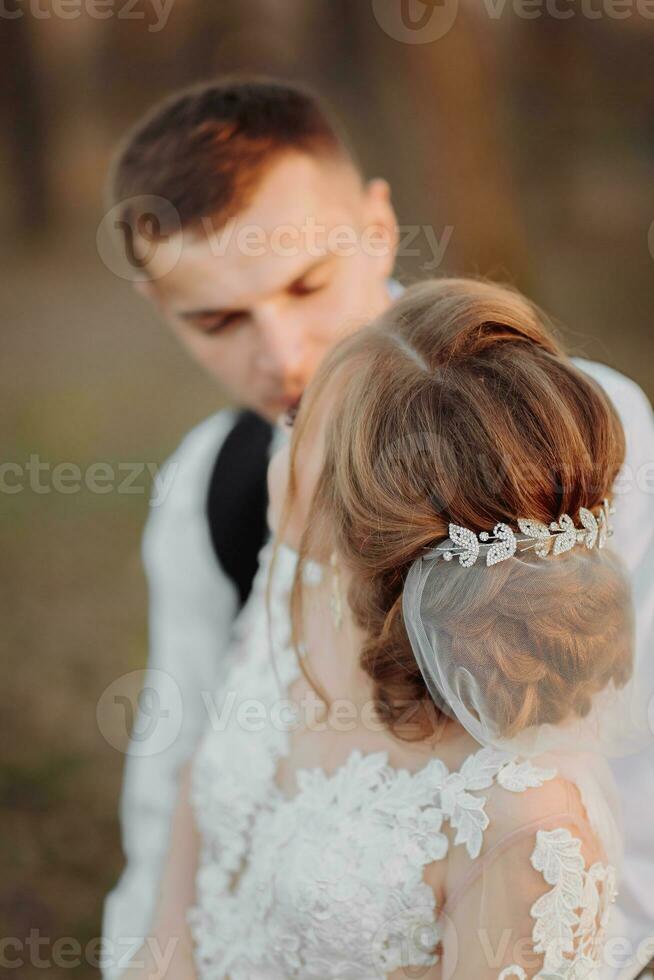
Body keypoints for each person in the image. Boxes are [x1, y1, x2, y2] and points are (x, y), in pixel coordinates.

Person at [101, 79, 654, 980]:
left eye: (306, 283)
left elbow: (634, 768)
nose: (280, 356)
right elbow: (174, 771)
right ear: (162, 311)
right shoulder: (209, 485)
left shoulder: (571, 441)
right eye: (218, 319)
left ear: (377, 225)